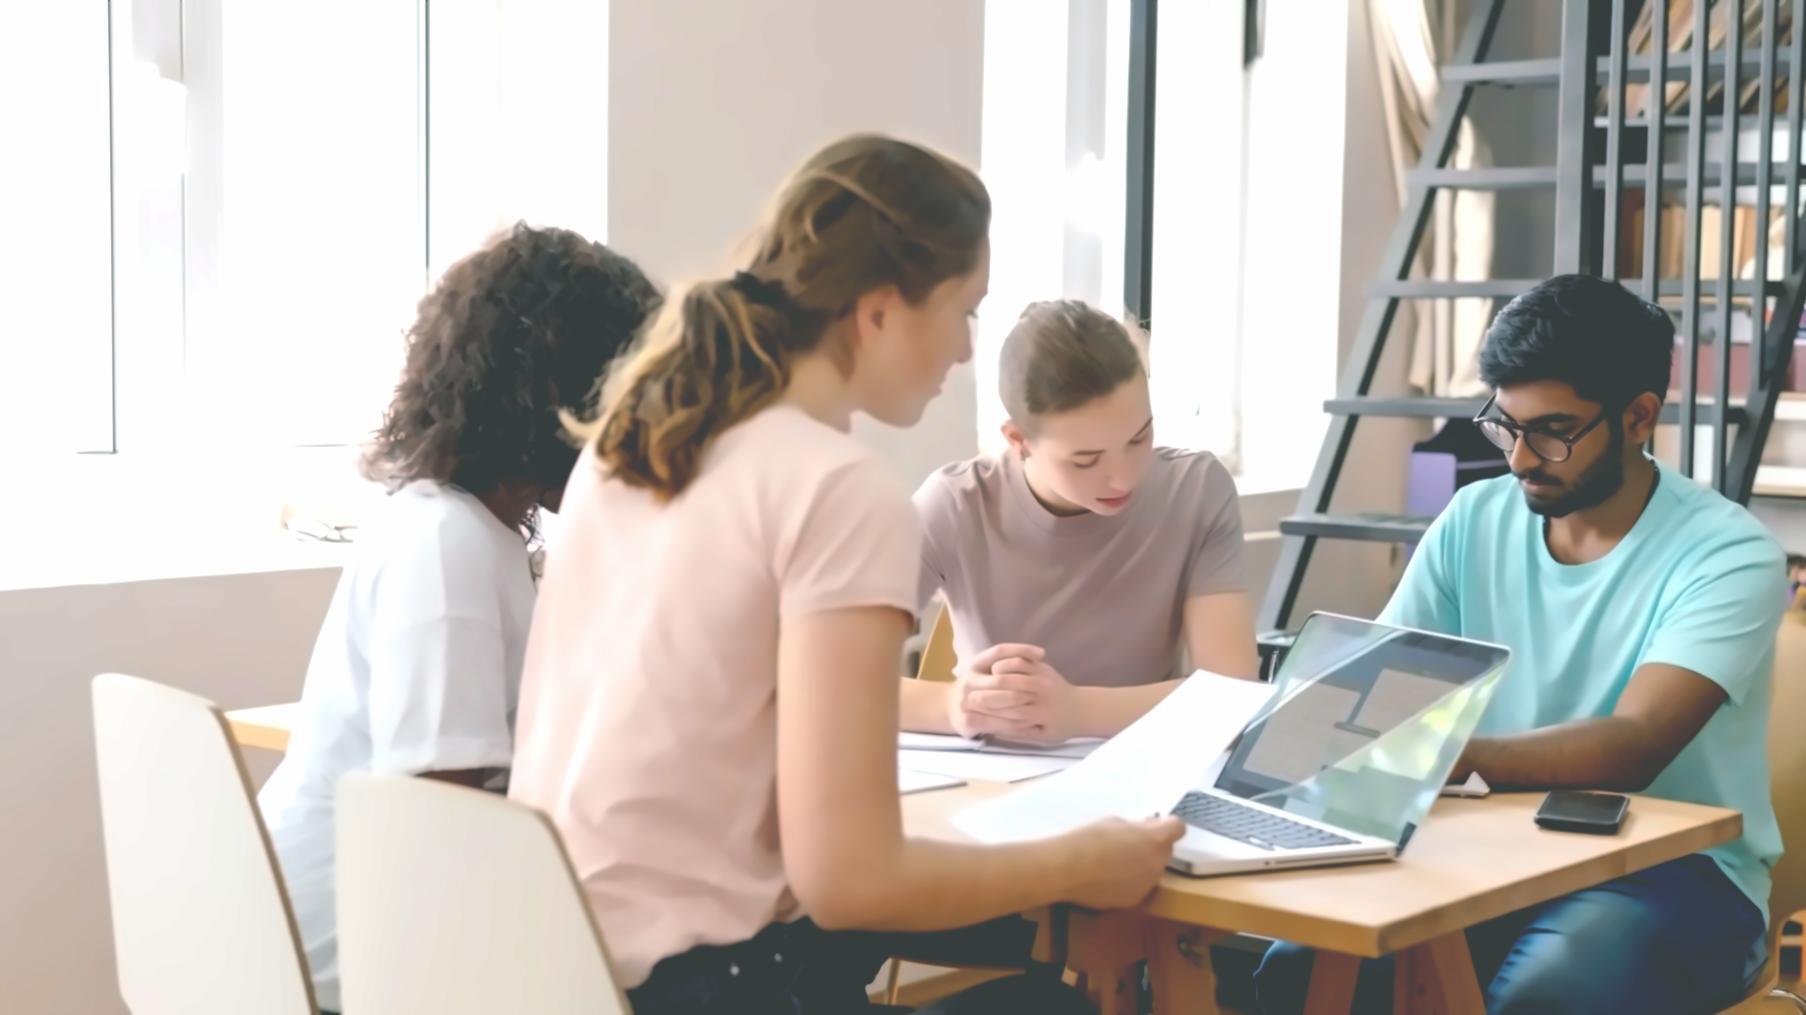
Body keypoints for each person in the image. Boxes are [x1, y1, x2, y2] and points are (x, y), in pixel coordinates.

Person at [506, 135, 1182, 1015]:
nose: (967, 351)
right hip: (707, 985)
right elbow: (852, 879)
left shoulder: (634, 444)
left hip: (556, 969)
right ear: (879, 311)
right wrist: (1084, 861)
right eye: (961, 310)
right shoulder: (839, 489)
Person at [1254, 274, 1785, 1015]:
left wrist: (1449, 754)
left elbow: (1632, 745)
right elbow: (1384, 683)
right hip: (1487, 845)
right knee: (1300, 968)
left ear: (1638, 417)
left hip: (1674, 873)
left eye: (1553, 430)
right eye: (1507, 424)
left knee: (1552, 996)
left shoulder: (1728, 554)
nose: (1521, 457)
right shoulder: (1474, 519)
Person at [258, 224, 660, 1015]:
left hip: (324, 931)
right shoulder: (449, 548)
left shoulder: (460, 527)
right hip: (356, 963)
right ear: (569, 399)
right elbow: (446, 821)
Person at [900, 299, 1258, 746]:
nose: (1124, 476)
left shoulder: (1196, 490)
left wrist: (1078, 711)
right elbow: (825, 675)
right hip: (989, 772)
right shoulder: (955, 504)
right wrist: (952, 706)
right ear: (1018, 440)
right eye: (1086, 461)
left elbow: (1231, 695)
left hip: (1139, 770)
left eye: (1139, 437)